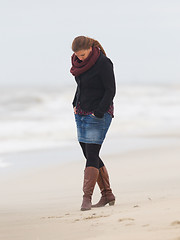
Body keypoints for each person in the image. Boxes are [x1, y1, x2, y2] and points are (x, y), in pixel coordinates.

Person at [70, 36, 116, 211]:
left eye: (82, 54)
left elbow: (111, 90)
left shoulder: (104, 63)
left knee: (91, 153)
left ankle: (86, 198)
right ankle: (107, 194)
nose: (79, 58)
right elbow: (81, 86)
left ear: (90, 48)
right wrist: (75, 103)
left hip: (99, 114)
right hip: (81, 112)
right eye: (76, 55)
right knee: (88, 153)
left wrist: (99, 111)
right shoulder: (78, 64)